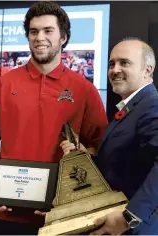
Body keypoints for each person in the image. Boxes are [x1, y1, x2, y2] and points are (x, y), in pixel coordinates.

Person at [0, 1, 108, 235]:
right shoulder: (3, 85)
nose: (39, 37)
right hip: (6, 214)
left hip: (62, 214)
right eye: (33, 31)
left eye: (47, 30)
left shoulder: (84, 90)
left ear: (63, 37)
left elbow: (97, 146)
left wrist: (66, 188)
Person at [61, 37, 158, 235]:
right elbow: (125, 162)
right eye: (112, 64)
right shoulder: (132, 107)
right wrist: (86, 158)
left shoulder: (152, 105)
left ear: (148, 70)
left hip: (136, 227)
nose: (115, 70)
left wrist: (130, 216)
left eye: (125, 63)